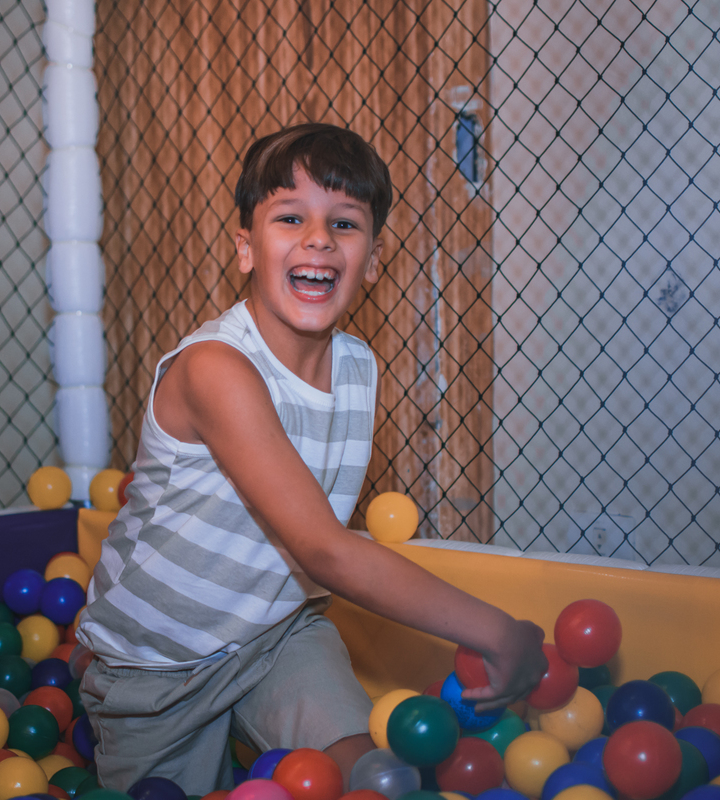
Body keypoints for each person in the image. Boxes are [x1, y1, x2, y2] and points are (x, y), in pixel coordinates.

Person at [73, 122, 547, 794]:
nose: (318, 239)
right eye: (290, 217)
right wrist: (498, 630)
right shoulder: (216, 369)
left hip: (279, 631)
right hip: (161, 663)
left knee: (377, 778)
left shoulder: (358, 367)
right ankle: (91, 661)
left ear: (374, 259)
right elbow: (325, 549)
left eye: (345, 224)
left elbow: (307, 554)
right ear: (246, 248)